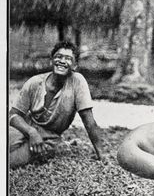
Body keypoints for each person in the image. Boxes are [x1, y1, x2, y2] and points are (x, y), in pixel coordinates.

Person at [9, 40, 104, 168]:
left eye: (68, 58)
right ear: (52, 61)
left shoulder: (77, 82)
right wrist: (31, 132)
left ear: (75, 66)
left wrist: (101, 154)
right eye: (58, 57)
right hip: (25, 128)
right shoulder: (34, 83)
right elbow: (13, 115)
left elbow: (89, 121)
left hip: (48, 138)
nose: (62, 61)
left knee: (12, 161)